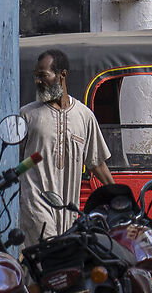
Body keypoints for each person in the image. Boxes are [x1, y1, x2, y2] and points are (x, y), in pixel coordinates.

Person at [16, 49, 117, 248]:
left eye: (43, 76)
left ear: (62, 75)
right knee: (50, 253)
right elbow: (17, 163)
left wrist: (118, 198)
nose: (37, 81)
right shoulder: (28, 115)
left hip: (69, 209)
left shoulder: (84, 116)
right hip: (36, 204)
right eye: (36, 76)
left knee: (58, 268)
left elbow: (97, 163)